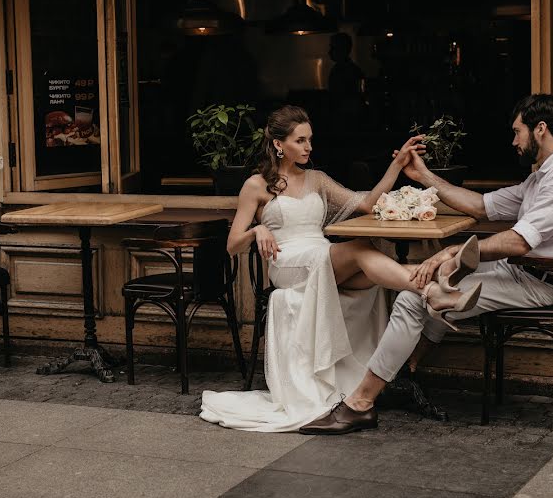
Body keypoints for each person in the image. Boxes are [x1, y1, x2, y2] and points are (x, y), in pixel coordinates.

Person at [298, 93, 553, 435]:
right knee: (434, 281)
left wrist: (450, 253)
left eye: (517, 132)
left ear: (541, 129)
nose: (514, 141)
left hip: (541, 284)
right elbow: (481, 206)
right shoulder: (543, 176)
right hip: (522, 271)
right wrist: (425, 176)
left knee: (413, 297)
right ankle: (414, 358)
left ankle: (360, 403)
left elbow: (518, 241)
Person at [199, 105, 481, 433]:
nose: (308, 147)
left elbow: (366, 204)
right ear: (279, 144)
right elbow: (233, 245)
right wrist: (257, 230)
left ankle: (433, 288)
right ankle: (434, 287)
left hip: (321, 256)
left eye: (310, 140)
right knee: (361, 249)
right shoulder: (255, 185)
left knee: (372, 273)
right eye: (300, 141)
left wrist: (397, 164)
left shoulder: (317, 179)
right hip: (288, 262)